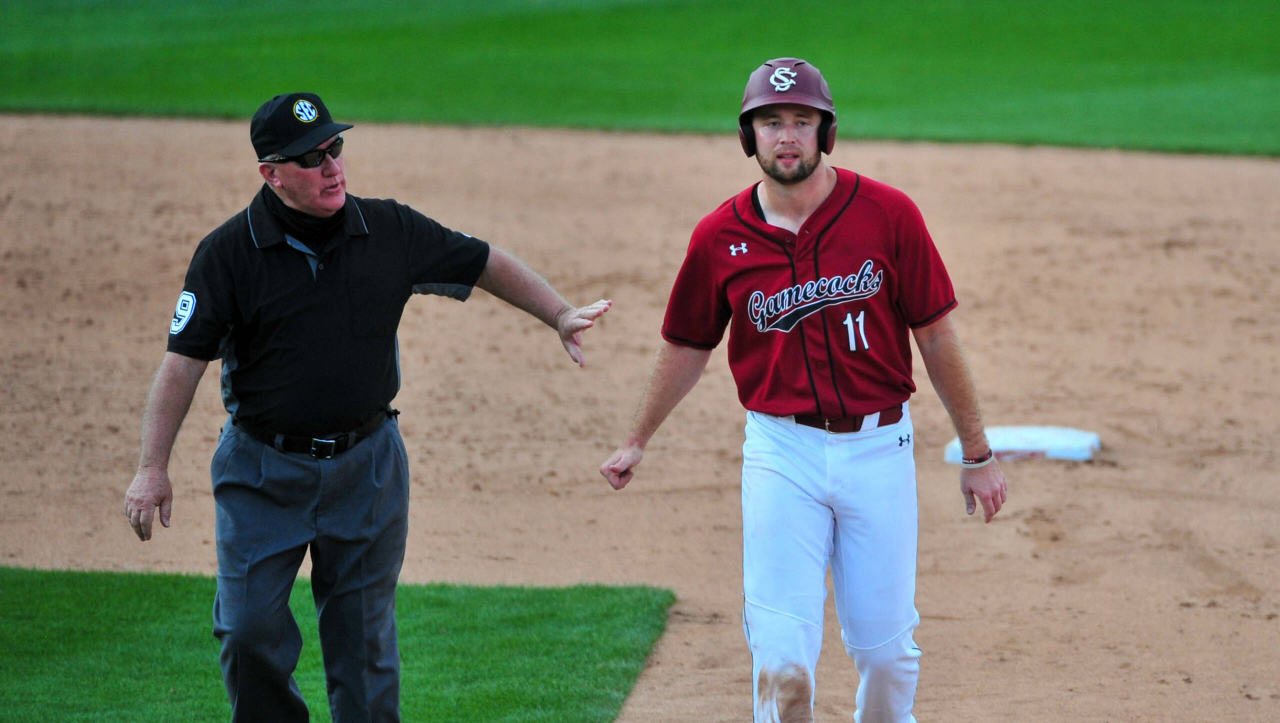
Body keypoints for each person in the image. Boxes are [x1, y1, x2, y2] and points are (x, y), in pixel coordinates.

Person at [122, 92, 610, 723]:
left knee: (363, 648)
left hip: (368, 470)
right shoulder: (229, 254)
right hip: (262, 472)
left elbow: (481, 260)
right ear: (270, 173)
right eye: (309, 158)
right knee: (247, 633)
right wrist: (150, 467)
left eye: (335, 148)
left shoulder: (388, 228)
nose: (331, 166)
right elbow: (181, 363)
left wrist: (560, 314)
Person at [600, 59, 1007, 722]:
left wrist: (977, 450)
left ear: (826, 132)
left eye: (800, 121)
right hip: (779, 452)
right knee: (783, 661)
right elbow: (686, 345)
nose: (786, 136)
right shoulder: (719, 237)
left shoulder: (888, 215)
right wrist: (636, 438)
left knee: (886, 655)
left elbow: (935, 334)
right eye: (770, 121)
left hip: (879, 449)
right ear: (748, 135)